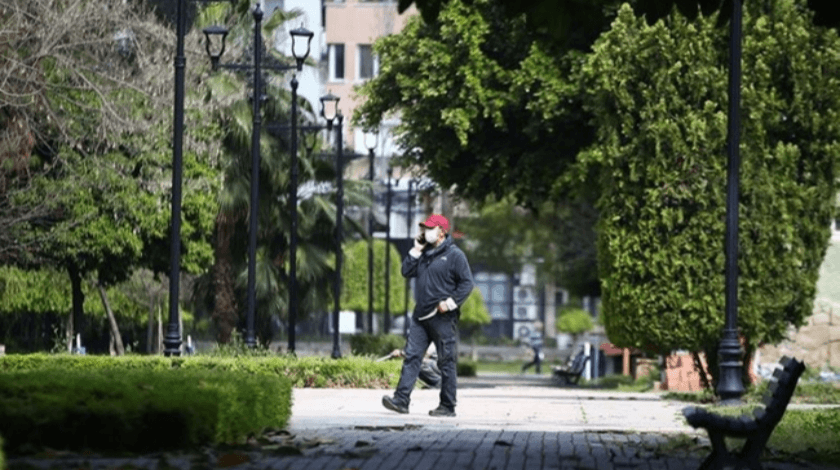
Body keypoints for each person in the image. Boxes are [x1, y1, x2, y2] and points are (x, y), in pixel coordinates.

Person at [382, 214, 474, 417]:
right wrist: (415, 249)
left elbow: (467, 283)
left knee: (446, 362)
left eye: (430, 228)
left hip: (442, 317)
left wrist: (449, 303)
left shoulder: (455, 255)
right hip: (420, 317)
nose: (426, 232)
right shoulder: (424, 253)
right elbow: (406, 271)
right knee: (412, 357)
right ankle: (401, 401)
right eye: (424, 228)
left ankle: (447, 406)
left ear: (442, 231)